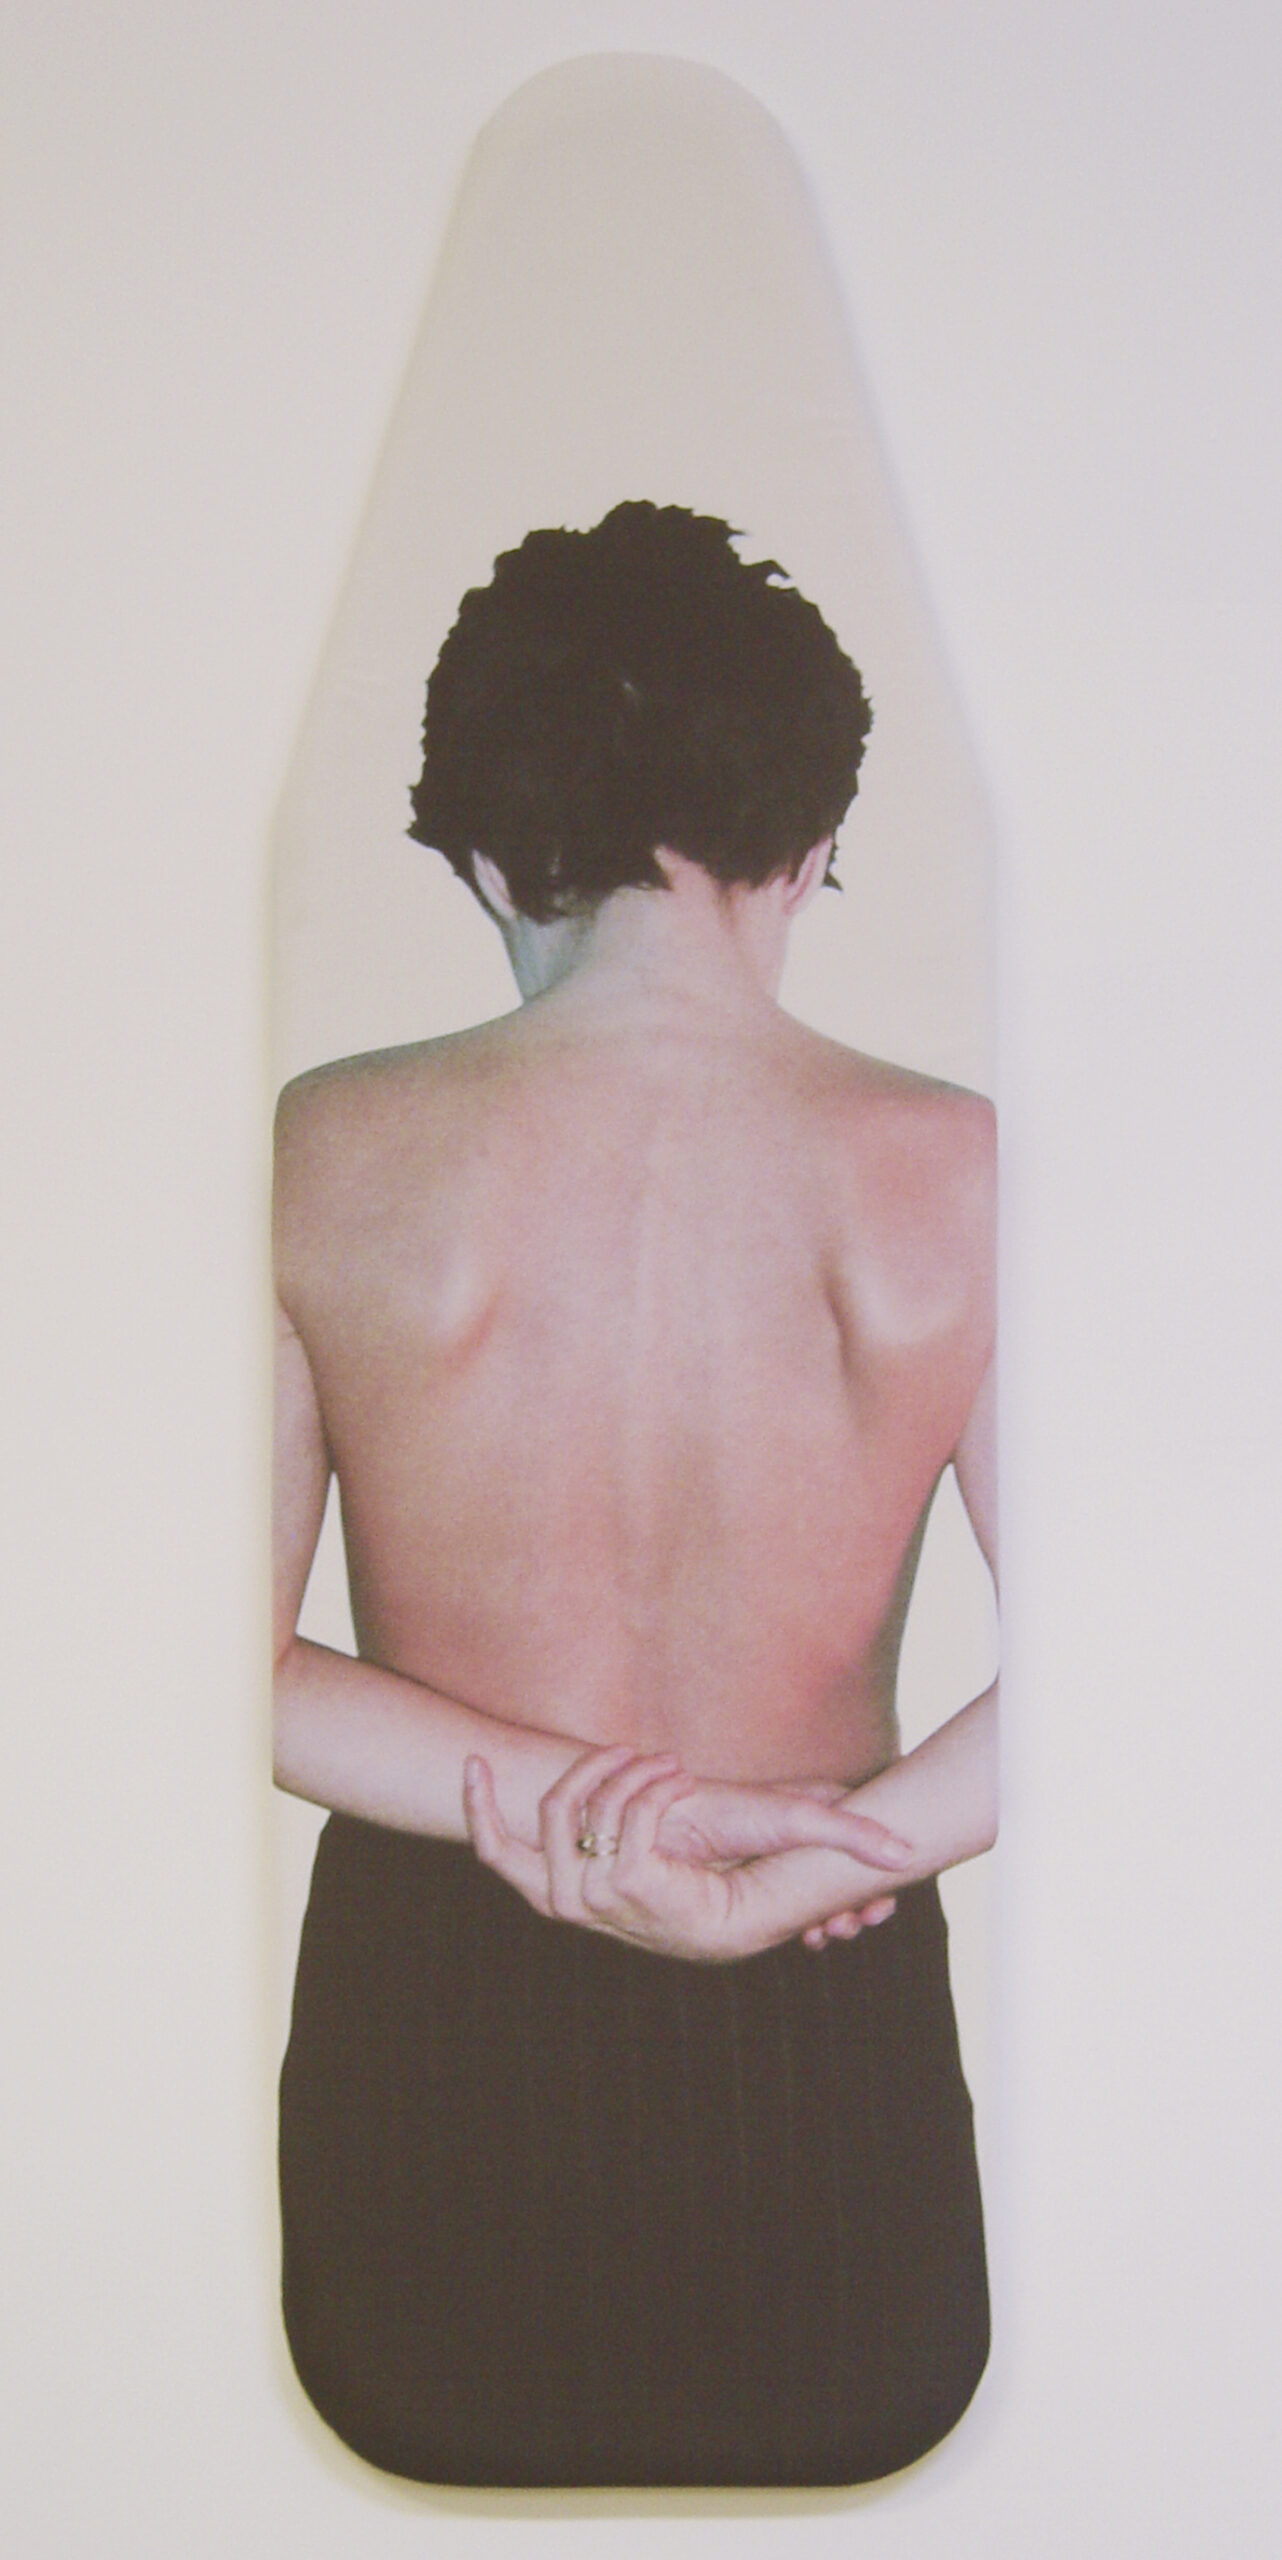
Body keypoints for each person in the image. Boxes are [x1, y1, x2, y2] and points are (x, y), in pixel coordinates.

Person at [274, 502, 997, 2488]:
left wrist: (575, 1814)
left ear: (490, 859)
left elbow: (206, 1664)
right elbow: (1142, 1673)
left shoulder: (325, 1153)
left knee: (423, 2474)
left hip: (440, 1973)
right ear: (810, 846)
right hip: (828, 1943)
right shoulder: (964, 1174)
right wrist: (803, 1862)